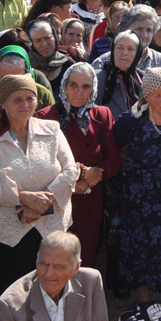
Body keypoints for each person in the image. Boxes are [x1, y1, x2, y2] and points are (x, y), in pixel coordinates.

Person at [0, 73, 79, 321]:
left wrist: (40, 205)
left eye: (30, 98)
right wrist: (23, 198)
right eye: (16, 99)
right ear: (2, 105)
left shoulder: (51, 130)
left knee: (46, 293)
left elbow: (70, 171)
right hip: (2, 237)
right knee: (4, 298)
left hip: (48, 231)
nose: (25, 104)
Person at [113, 66, 161, 305]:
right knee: (141, 249)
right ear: (146, 97)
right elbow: (117, 147)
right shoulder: (131, 120)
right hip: (142, 199)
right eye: (157, 95)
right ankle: (145, 303)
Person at [35, 62, 121, 267]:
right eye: (73, 85)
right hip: (59, 202)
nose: (79, 92)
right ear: (64, 85)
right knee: (56, 257)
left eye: (86, 86)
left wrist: (94, 177)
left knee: (85, 256)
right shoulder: (46, 117)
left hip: (91, 203)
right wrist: (81, 175)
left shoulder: (101, 115)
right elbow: (45, 164)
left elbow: (115, 160)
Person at [0, 231, 108, 321]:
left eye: (58, 266)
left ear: (76, 268)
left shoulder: (91, 282)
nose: (48, 274)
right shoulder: (8, 307)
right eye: (43, 264)